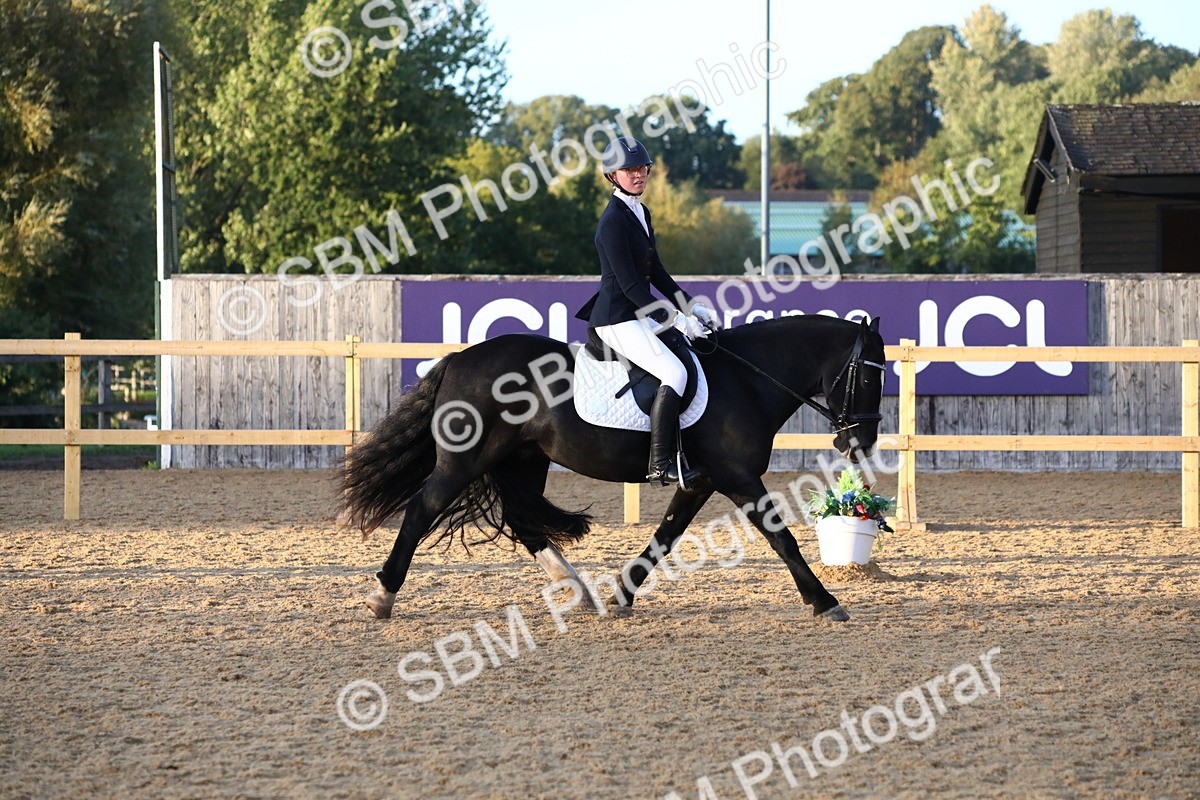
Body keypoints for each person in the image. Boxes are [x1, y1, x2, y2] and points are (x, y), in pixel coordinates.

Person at [575, 137, 718, 490]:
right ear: (612, 175)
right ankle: (660, 464)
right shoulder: (612, 222)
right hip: (617, 319)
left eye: (642, 168)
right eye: (629, 170)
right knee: (674, 372)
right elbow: (631, 287)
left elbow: (655, 272)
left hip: (637, 314)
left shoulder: (640, 212)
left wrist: (690, 304)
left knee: (690, 357)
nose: (638, 175)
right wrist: (675, 319)